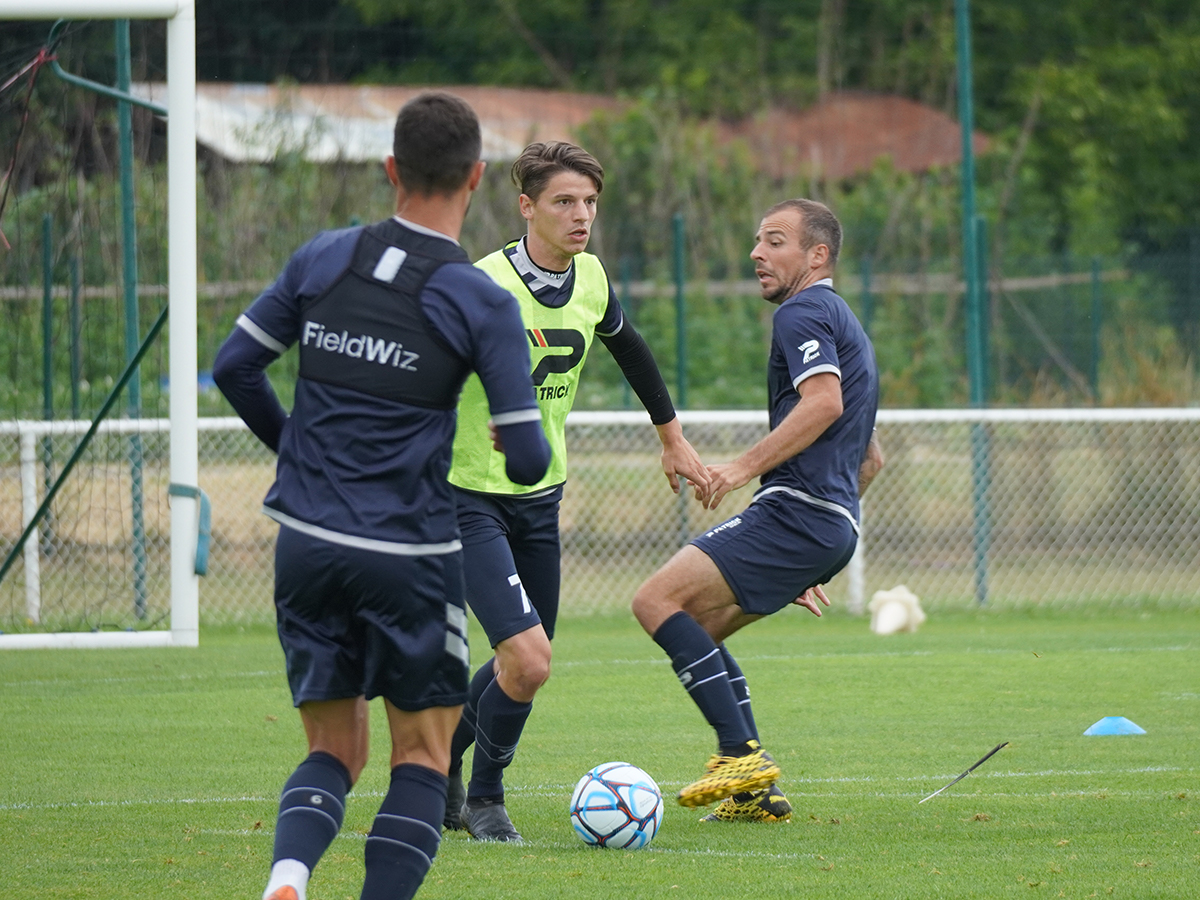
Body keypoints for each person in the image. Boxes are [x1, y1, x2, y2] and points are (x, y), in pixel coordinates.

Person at [212, 93, 551, 900]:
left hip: (307, 541)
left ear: (390, 169)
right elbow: (531, 461)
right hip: (411, 551)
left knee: (334, 752)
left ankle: (288, 877)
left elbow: (234, 367)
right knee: (422, 760)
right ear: (475, 178)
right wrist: (516, 438)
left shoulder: (324, 257)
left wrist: (297, 451)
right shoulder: (481, 299)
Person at [443, 141, 711, 841]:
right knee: (529, 658)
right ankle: (485, 798)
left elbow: (632, 350)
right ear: (526, 206)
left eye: (590, 202)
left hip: (541, 498)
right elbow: (430, 376)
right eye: (564, 201)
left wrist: (672, 437)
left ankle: (439, 754)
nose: (582, 214)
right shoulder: (481, 284)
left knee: (524, 664)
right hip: (469, 494)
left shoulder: (591, 279)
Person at [630, 198, 884, 823]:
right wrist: (813, 552)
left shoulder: (801, 311)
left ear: (816, 255)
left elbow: (823, 404)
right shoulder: (844, 319)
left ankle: (738, 753)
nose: (756, 254)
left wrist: (742, 469)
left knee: (654, 603)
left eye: (774, 241)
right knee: (699, 632)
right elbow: (871, 458)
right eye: (757, 240)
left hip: (798, 512)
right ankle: (754, 793)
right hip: (827, 522)